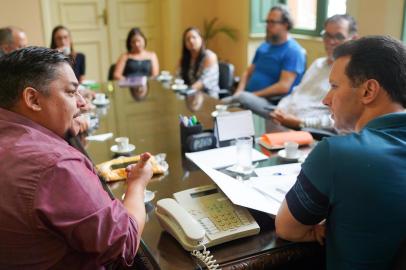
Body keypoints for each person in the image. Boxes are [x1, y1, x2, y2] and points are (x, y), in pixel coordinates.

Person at [0, 46, 153, 269]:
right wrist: (137, 185)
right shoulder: (56, 166)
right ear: (33, 99)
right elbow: (125, 241)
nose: (82, 103)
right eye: (71, 93)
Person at [275, 36, 406, 269]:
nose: (326, 100)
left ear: (368, 91)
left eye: (334, 86)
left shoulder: (336, 154)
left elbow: (287, 228)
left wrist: (313, 230)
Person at [269, 14, 358, 131]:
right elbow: (296, 92)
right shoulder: (317, 64)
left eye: (339, 36)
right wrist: (280, 110)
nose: (331, 42)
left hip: (308, 130)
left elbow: (342, 119)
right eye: (327, 35)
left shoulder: (353, 74)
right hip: (284, 120)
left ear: (354, 39)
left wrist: (301, 123)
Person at [230, 5, 306, 117]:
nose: (267, 26)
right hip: (247, 97)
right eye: (267, 22)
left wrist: (252, 95)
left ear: (285, 25)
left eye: (272, 22)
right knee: (219, 104)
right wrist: (238, 92)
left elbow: (283, 87)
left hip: (270, 104)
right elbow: (247, 73)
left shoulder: (293, 51)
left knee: (235, 103)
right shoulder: (263, 46)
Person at [179, 27, 220, 98]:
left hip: (208, 98)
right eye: (188, 39)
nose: (191, 41)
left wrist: (188, 91)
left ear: (201, 39)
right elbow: (178, 77)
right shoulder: (184, 59)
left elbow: (203, 82)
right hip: (190, 96)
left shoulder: (209, 56)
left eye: (194, 37)